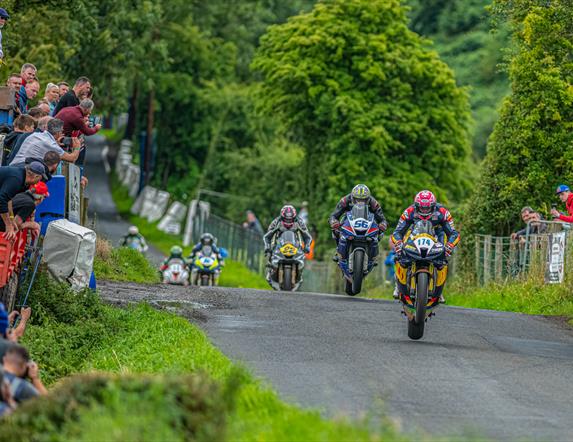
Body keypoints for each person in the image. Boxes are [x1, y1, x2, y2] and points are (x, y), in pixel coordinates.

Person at [391, 190, 460, 302]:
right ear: (417, 206)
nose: (424, 211)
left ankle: (439, 291)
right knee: (399, 255)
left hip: (437, 234)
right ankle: (398, 285)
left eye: (427, 208)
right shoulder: (409, 211)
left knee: (443, 260)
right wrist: (399, 243)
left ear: (433, 206)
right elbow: (397, 232)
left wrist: (450, 246)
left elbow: (454, 233)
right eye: (422, 208)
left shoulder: (442, 212)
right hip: (415, 233)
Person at [328, 184, 388, 263]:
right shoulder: (345, 200)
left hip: (367, 222)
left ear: (368, 198)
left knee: (380, 231)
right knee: (335, 229)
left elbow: (382, 219)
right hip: (348, 221)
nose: (360, 202)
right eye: (357, 199)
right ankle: (338, 251)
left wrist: (383, 224)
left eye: (363, 200)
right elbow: (334, 215)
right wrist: (334, 222)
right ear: (353, 197)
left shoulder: (374, 203)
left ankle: (373, 255)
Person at [263, 205, 312, 282]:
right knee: (270, 250)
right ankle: (270, 269)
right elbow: (267, 236)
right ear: (282, 217)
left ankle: (299, 272)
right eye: (286, 219)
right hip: (279, 244)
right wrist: (267, 247)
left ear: (294, 217)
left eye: (290, 220)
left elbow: (307, 237)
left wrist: (307, 246)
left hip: (294, 244)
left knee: (303, 255)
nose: (288, 222)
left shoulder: (299, 222)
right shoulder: (276, 222)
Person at [0, 163, 45, 239]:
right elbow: (1, 200)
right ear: (36, 176)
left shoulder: (22, 179)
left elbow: (8, 200)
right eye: (40, 178)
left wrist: (11, 219)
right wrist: (8, 225)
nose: (39, 181)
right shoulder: (17, 179)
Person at [9, 118, 81, 166]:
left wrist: (56, 143)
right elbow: (72, 158)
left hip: (14, 165)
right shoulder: (50, 144)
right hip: (23, 169)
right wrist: (77, 147)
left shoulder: (36, 135)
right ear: (59, 132)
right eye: (62, 131)